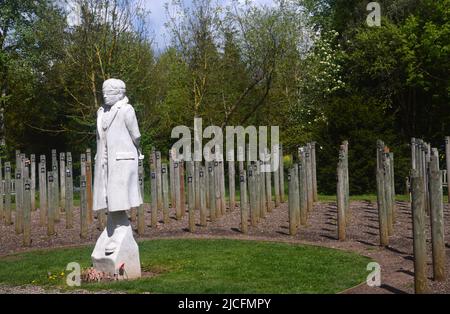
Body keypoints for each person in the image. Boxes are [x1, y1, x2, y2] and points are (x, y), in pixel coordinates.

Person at [93, 78, 143, 257]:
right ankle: (112, 228)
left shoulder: (127, 110)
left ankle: (119, 230)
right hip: (106, 160)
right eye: (103, 92)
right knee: (107, 196)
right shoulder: (102, 112)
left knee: (117, 196)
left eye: (110, 92)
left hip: (122, 159)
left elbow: (136, 135)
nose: (105, 95)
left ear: (120, 93)